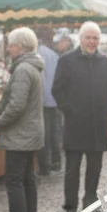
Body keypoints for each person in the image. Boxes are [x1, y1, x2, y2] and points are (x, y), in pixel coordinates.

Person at [51, 22, 107, 212]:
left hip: (98, 124)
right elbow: (57, 89)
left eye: (95, 38)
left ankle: (89, 202)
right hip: (75, 123)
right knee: (72, 169)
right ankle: (70, 204)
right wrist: (69, 110)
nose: (92, 41)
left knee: (94, 169)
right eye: (88, 37)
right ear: (80, 38)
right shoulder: (67, 60)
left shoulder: (105, 62)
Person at [0, 27, 46, 212]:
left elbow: (17, 104)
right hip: (30, 133)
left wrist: (0, 121)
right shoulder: (32, 66)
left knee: (15, 182)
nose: (8, 49)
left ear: (21, 47)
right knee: (27, 181)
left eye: (11, 45)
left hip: (20, 134)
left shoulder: (23, 69)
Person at [37, 32, 63, 177]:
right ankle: (56, 161)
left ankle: (45, 166)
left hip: (42, 100)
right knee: (54, 132)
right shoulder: (53, 54)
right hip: (54, 99)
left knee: (44, 134)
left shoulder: (37, 54)